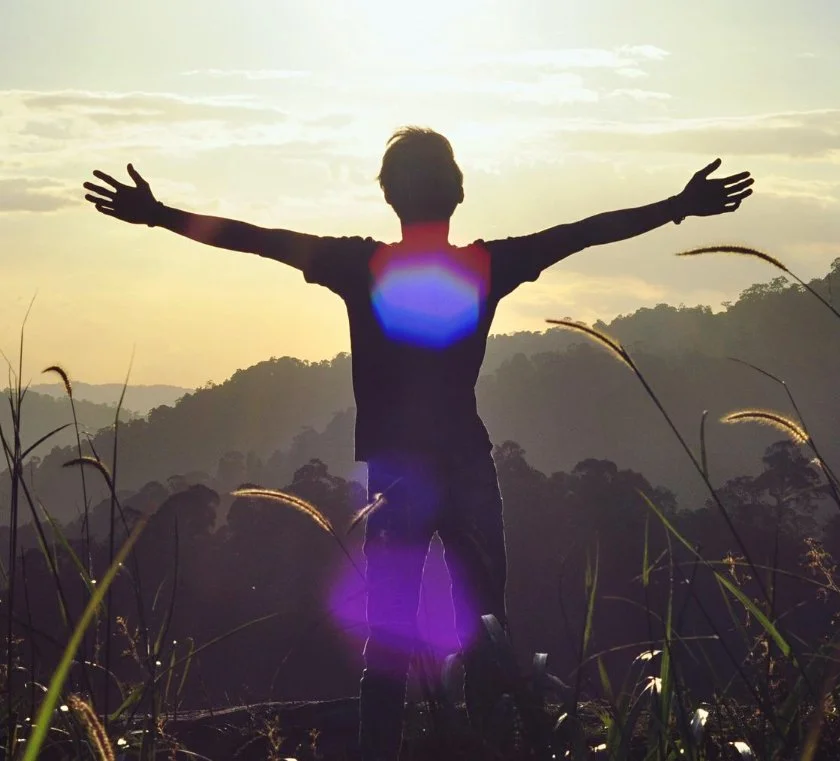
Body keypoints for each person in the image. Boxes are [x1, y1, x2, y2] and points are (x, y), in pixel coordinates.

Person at [83, 127, 753, 760]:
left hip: (396, 474)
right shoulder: (487, 263)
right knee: (489, 627)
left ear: (389, 196)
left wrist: (159, 214)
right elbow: (582, 234)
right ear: (458, 193)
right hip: (466, 464)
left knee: (389, 637)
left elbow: (257, 239)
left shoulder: (360, 262)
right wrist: (677, 207)